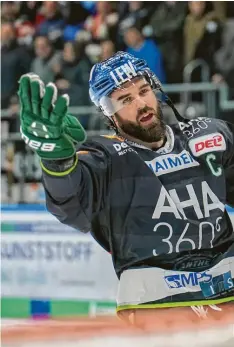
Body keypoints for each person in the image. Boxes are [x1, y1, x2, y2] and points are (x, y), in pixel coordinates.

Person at [18, 52, 234, 327]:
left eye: (143, 91)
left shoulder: (209, 135)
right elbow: (70, 205)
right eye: (126, 99)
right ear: (109, 112)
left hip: (229, 292)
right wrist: (57, 160)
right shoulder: (103, 157)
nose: (141, 104)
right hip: (157, 306)